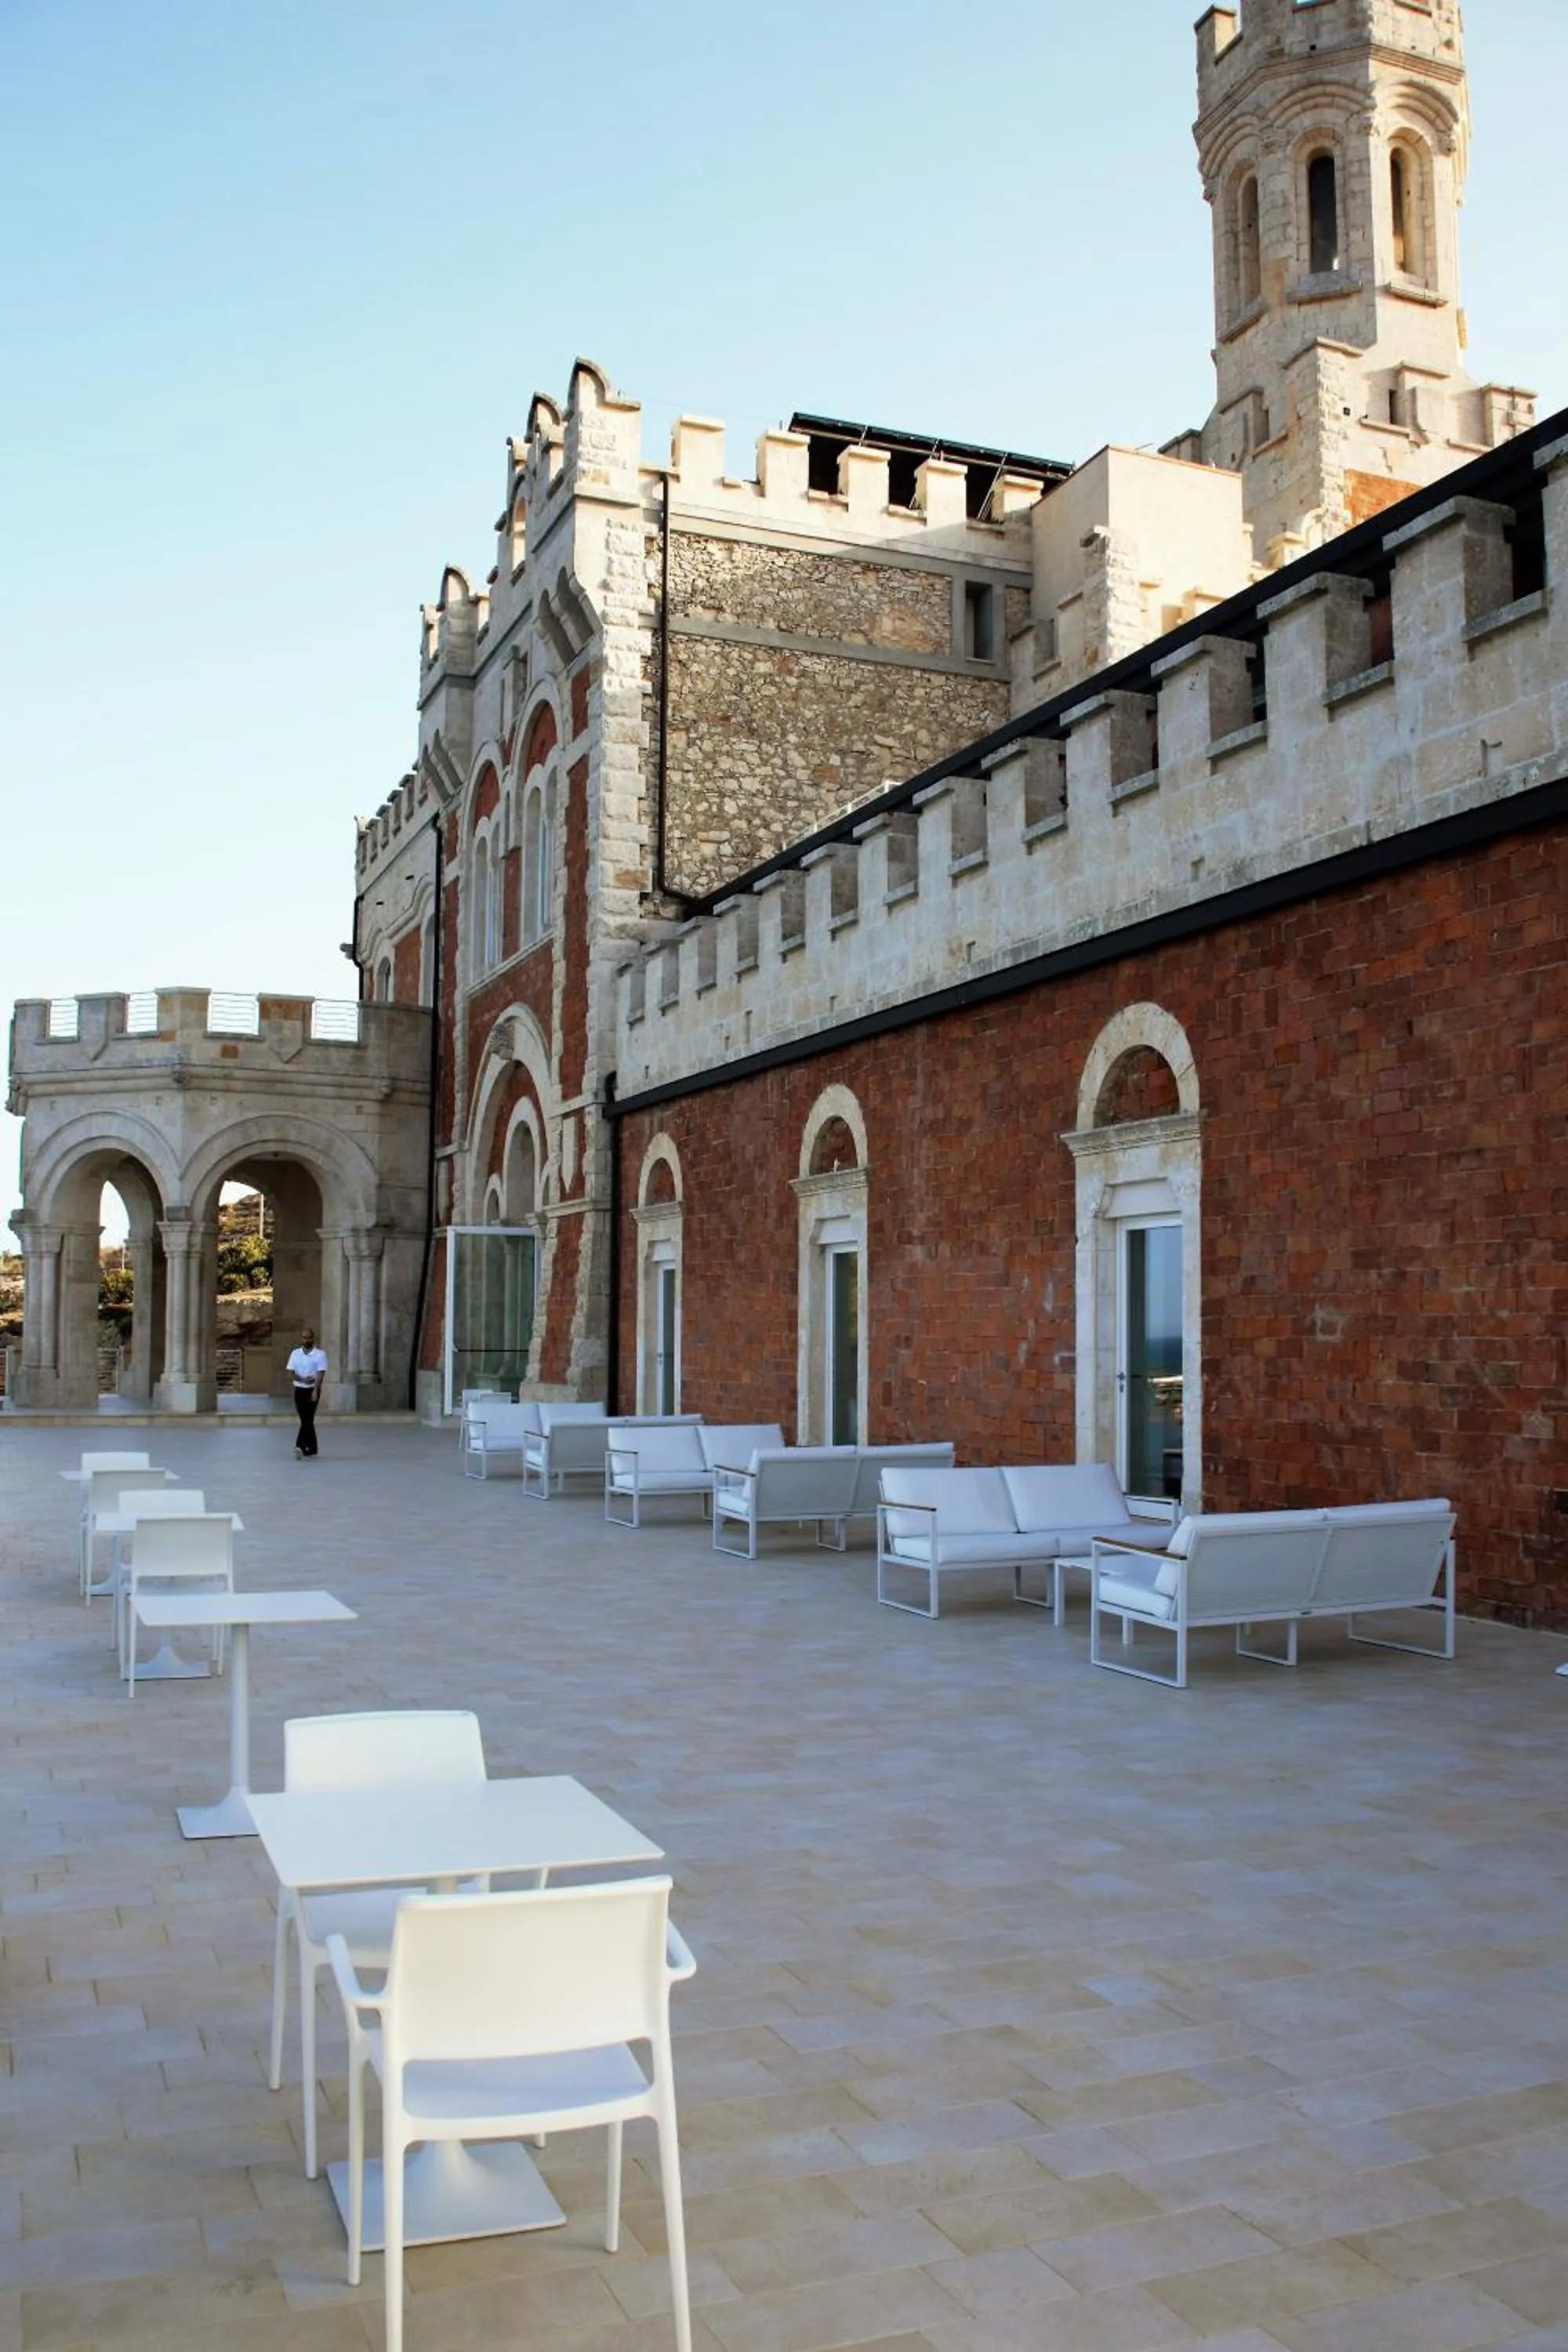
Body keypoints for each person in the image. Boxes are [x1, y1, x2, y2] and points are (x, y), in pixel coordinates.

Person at [285, 1326, 328, 1458]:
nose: (307, 1340)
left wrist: (315, 1391)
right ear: (302, 1339)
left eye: (309, 1338)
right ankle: (313, 1448)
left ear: (313, 1338)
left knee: (308, 1419)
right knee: (306, 1420)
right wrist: (302, 1379)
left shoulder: (320, 1354)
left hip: (312, 1391)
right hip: (299, 1390)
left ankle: (299, 1446)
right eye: (304, 1338)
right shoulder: (295, 1353)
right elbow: (290, 1373)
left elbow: (321, 1374)